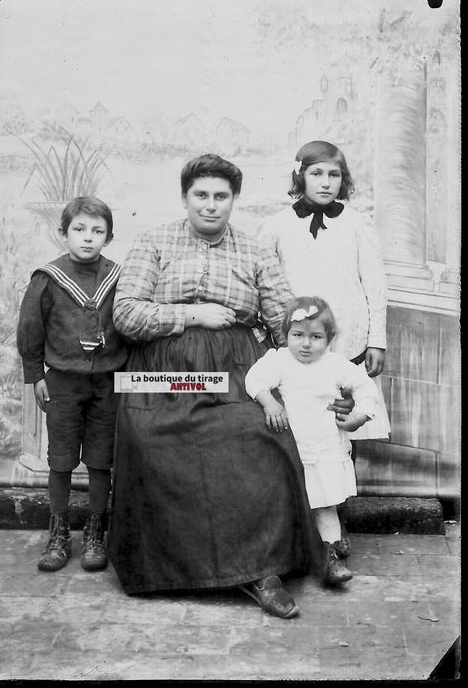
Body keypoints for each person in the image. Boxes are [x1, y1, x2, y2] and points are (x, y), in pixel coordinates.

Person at [108, 154, 353, 620]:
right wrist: (190, 315)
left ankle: (263, 571)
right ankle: (174, 569)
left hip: (238, 370)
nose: (211, 205)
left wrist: (322, 372)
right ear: (185, 197)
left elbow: (287, 320)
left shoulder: (254, 250)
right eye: (201, 195)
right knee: (152, 441)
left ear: (233, 200)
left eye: (221, 196)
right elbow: (126, 315)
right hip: (164, 374)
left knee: (263, 439)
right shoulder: (154, 242)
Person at [257, 140, 391, 554]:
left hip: (345, 343)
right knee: (299, 431)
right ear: (300, 176)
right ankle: (301, 521)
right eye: (317, 173)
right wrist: (269, 335)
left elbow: (374, 282)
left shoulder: (356, 223)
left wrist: (376, 339)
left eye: (334, 175)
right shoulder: (277, 225)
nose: (326, 182)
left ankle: (336, 519)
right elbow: (264, 280)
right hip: (297, 348)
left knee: (340, 430)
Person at [17, 196, 127, 572]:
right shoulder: (48, 279)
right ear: (63, 233)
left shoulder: (118, 277)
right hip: (62, 382)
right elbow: (30, 330)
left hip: (108, 384)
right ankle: (59, 531)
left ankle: (96, 530)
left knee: (100, 460)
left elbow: (129, 327)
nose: (87, 238)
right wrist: (35, 375)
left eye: (98, 232)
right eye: (79, 230)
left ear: (109, 238)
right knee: (61, 460)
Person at [245, 296, 381, 586]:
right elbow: (254, 379)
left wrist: (359, 416)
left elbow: (366, 388)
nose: (306, 344)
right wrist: (269, 402)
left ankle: (331, 560)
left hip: (325, 449)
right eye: (298, 335)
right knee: (289, 506)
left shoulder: (336, 365)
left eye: (316, 337)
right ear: (286, 336)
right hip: (293, 450)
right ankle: (290, 557)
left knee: (325, 506)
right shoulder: (280, 360)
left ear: (329, 339)